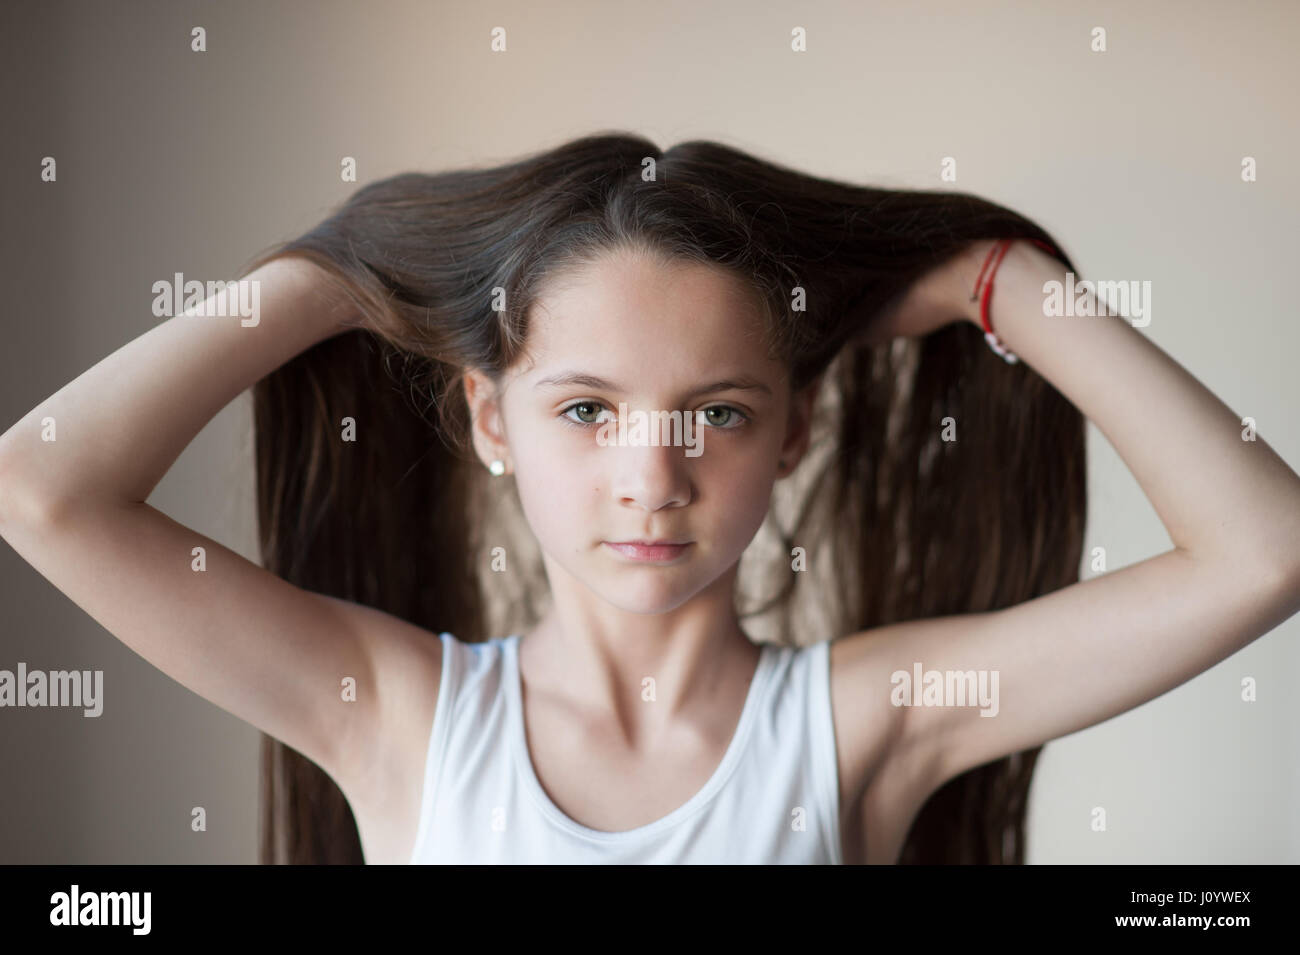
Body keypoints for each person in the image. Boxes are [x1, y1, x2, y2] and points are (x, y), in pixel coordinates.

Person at [2, 133, 1298, 864]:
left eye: (719, 411)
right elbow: (42, 485)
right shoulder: (401, 720)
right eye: (587, 409)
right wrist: (344, 276)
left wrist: (994, 281)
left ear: (793, 433)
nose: (653, 473)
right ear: (493, 420)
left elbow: (1265, 550)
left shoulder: (861, 729)